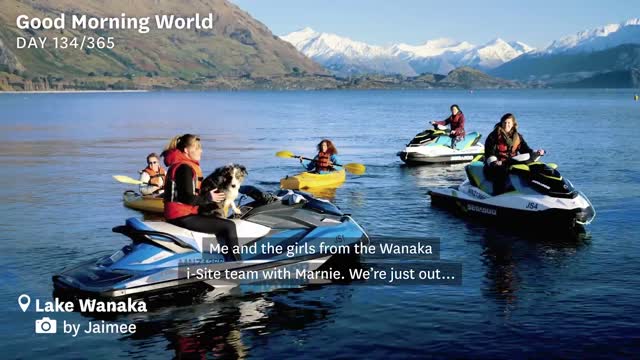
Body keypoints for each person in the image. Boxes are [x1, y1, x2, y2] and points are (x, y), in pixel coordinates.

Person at [162, 134, 240, 261]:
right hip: (181, 216)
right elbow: (186, 198)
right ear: (186, 151)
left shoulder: (183, 165)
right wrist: (208, 198)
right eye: (197, 148)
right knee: (229, 226)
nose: (201, 150)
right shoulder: (184, 167)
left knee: (219, 222)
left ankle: (226, 260)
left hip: (181, 214)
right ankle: (237, 263)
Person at [484, 113, 545, 195]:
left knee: (531, 169)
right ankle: (497, 195)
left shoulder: (518, 137)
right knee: (502, 171)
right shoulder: (493, 136)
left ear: (513, 124)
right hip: (496, 165)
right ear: (501, 123)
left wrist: (537, 152)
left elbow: (525, 150)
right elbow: (489, 152)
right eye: (504, 122)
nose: (506, 125)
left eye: (509, 123)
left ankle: (533, 193)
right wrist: (494, 162)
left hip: (511, 162)